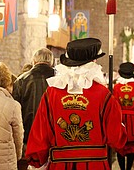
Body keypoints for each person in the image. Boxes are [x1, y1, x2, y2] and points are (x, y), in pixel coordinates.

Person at [25, 38, 127, 169]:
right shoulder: (103, 95)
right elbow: (116, 138)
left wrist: (37, 160)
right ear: (93, 62)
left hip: (60, 165)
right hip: (95, 165)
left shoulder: (51, 94)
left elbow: (40, 134)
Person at [12, 47, 55, 168]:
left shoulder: (21, 80)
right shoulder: (60, 79)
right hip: (54, 136)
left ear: (34, 61)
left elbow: (15, 111)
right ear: (51, 62)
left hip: (29, 136)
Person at [0, 61, 24, 170]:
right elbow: (18, 137)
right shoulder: (13, 105)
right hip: (3, 163)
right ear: (6, 80)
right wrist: (17, 156)